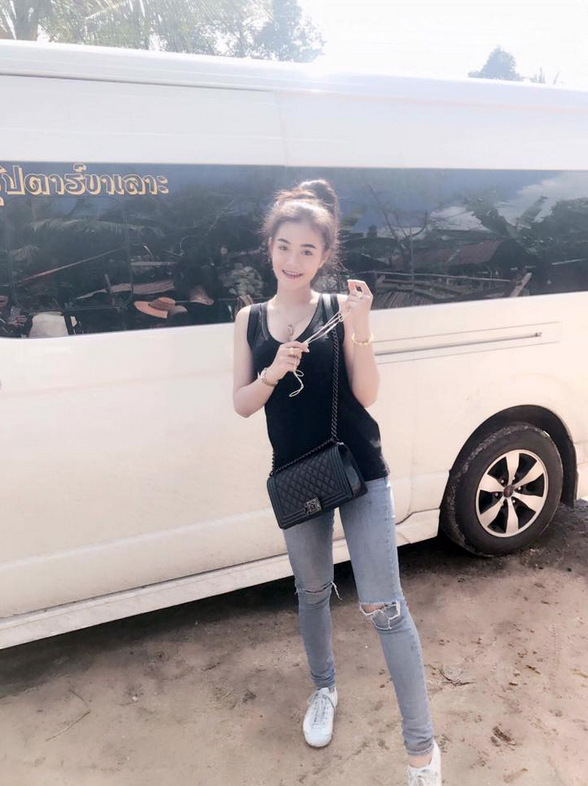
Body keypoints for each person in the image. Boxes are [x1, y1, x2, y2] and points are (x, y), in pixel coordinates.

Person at [232, 180, 441, 786]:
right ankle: (324, 689)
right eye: (284, 246)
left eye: (307, 250)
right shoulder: (249, 320)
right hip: (297, 476)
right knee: (313, 591)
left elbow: (367, 394)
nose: (293, 260)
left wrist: (363, 325)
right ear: (269, 248)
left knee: (384, 606)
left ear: (325, 256)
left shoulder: (339, 310)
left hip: (360, 469)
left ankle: (422, 753)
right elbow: (242, 403)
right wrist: (272, 372)